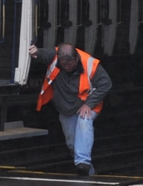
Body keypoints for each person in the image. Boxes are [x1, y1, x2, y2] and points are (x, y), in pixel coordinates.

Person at [28, 42, 111, 176]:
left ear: (76, 59)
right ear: (59, 58)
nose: (67, 67)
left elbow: (105, 84)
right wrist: (35, 52)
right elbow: (42, 55)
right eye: (63, 64)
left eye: (70, 64)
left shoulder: (90, 63)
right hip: (66, 108)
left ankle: (83, 162)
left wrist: (88, 104)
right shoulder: (54, 56)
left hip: (87, 105)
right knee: (72, 144)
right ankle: (89, 173)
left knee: (84, 122)